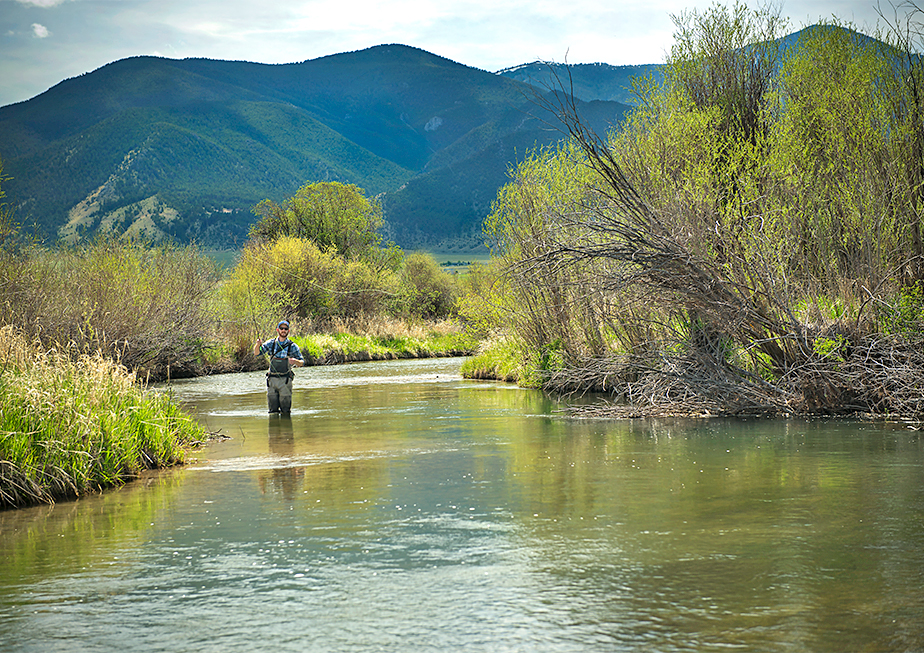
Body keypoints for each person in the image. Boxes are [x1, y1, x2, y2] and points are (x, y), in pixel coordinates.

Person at [254, 320, 305, 414]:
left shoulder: (292, 346)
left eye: (285, 329)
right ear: (278, 330)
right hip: (272, 380)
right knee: (272, 411)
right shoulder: (270, 343)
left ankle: (286, 428)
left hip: (286, 381)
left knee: (286, 411)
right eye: (281, 328)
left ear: (288, 331)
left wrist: (294, 361)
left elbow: (302, 362)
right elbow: (257, 353)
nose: (283, 330)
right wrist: (258, 345)